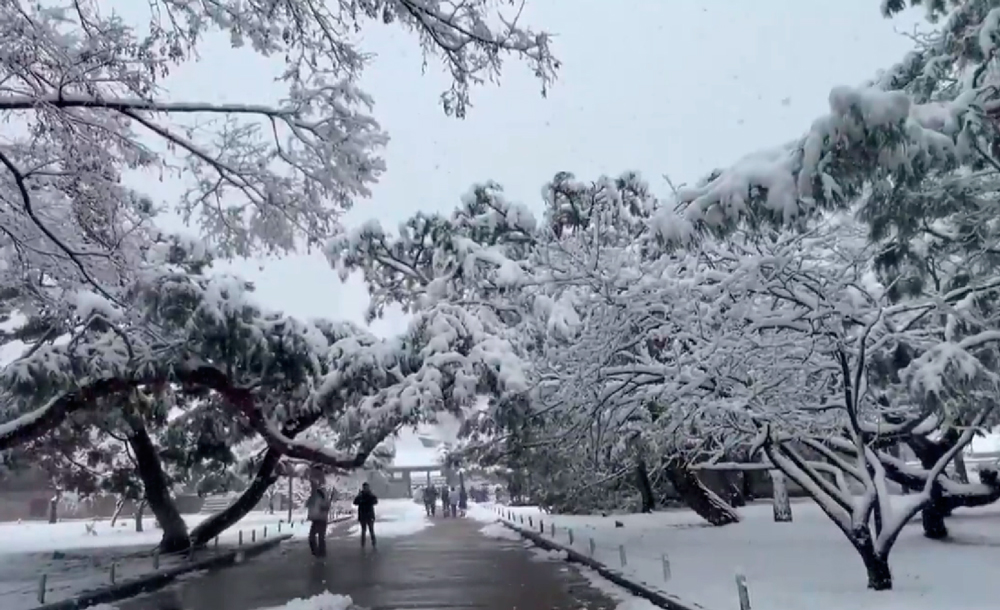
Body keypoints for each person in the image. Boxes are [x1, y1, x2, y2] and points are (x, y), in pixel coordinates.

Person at [306, 485, 331, 557]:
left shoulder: (321, 498)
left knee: (317, 537)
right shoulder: (314, 498)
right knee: (319, 537)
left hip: (320, 519)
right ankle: (319, 552)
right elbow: (308, 505)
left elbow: (325, 507)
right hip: (318, 519)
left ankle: (319, 552)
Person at [353, 482, 379, 548]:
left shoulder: (370, 495)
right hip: (363, 515)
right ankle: (363, 544)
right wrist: (359, 497)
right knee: (363, 530)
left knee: (371, 530)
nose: (366, 489)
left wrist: (370, 496)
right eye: (365, 488)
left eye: (367, 487)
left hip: (369, 515)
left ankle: (373, 542)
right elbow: (355, 502)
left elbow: (375, 501)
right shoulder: (361, 495)